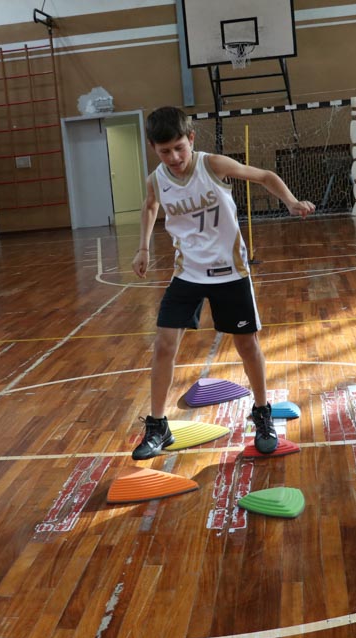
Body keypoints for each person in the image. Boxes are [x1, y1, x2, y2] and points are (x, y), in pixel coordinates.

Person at [131, 106, 315, 460]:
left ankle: (262, 413)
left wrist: (291, 202)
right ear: (153, 148)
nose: (174, 157)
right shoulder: (157, 179)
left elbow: (264, 175)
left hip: (230, 272)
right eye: (165, 151)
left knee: (247, 345)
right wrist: (143, 247)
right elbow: (150, 205)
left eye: (179, 148)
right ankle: (158, 426)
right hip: (187, 273)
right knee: (164, 345)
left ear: (191, 139)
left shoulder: (212, 165)